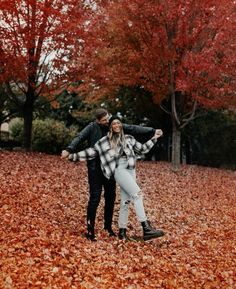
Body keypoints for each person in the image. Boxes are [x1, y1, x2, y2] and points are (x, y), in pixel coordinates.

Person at [61, 108, 157, 241]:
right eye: (105, 121)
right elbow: (83, 142)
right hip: (97, 169)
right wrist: (69, 151)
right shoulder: (97, 133)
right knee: (96, 197)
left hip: (113, 170)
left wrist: (153, 133)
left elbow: (135, 132)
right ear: (98, 121)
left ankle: (112, 228)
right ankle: (91, 229)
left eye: (109, 119)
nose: (108, 122)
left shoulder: (122, 134)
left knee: (114, 198)